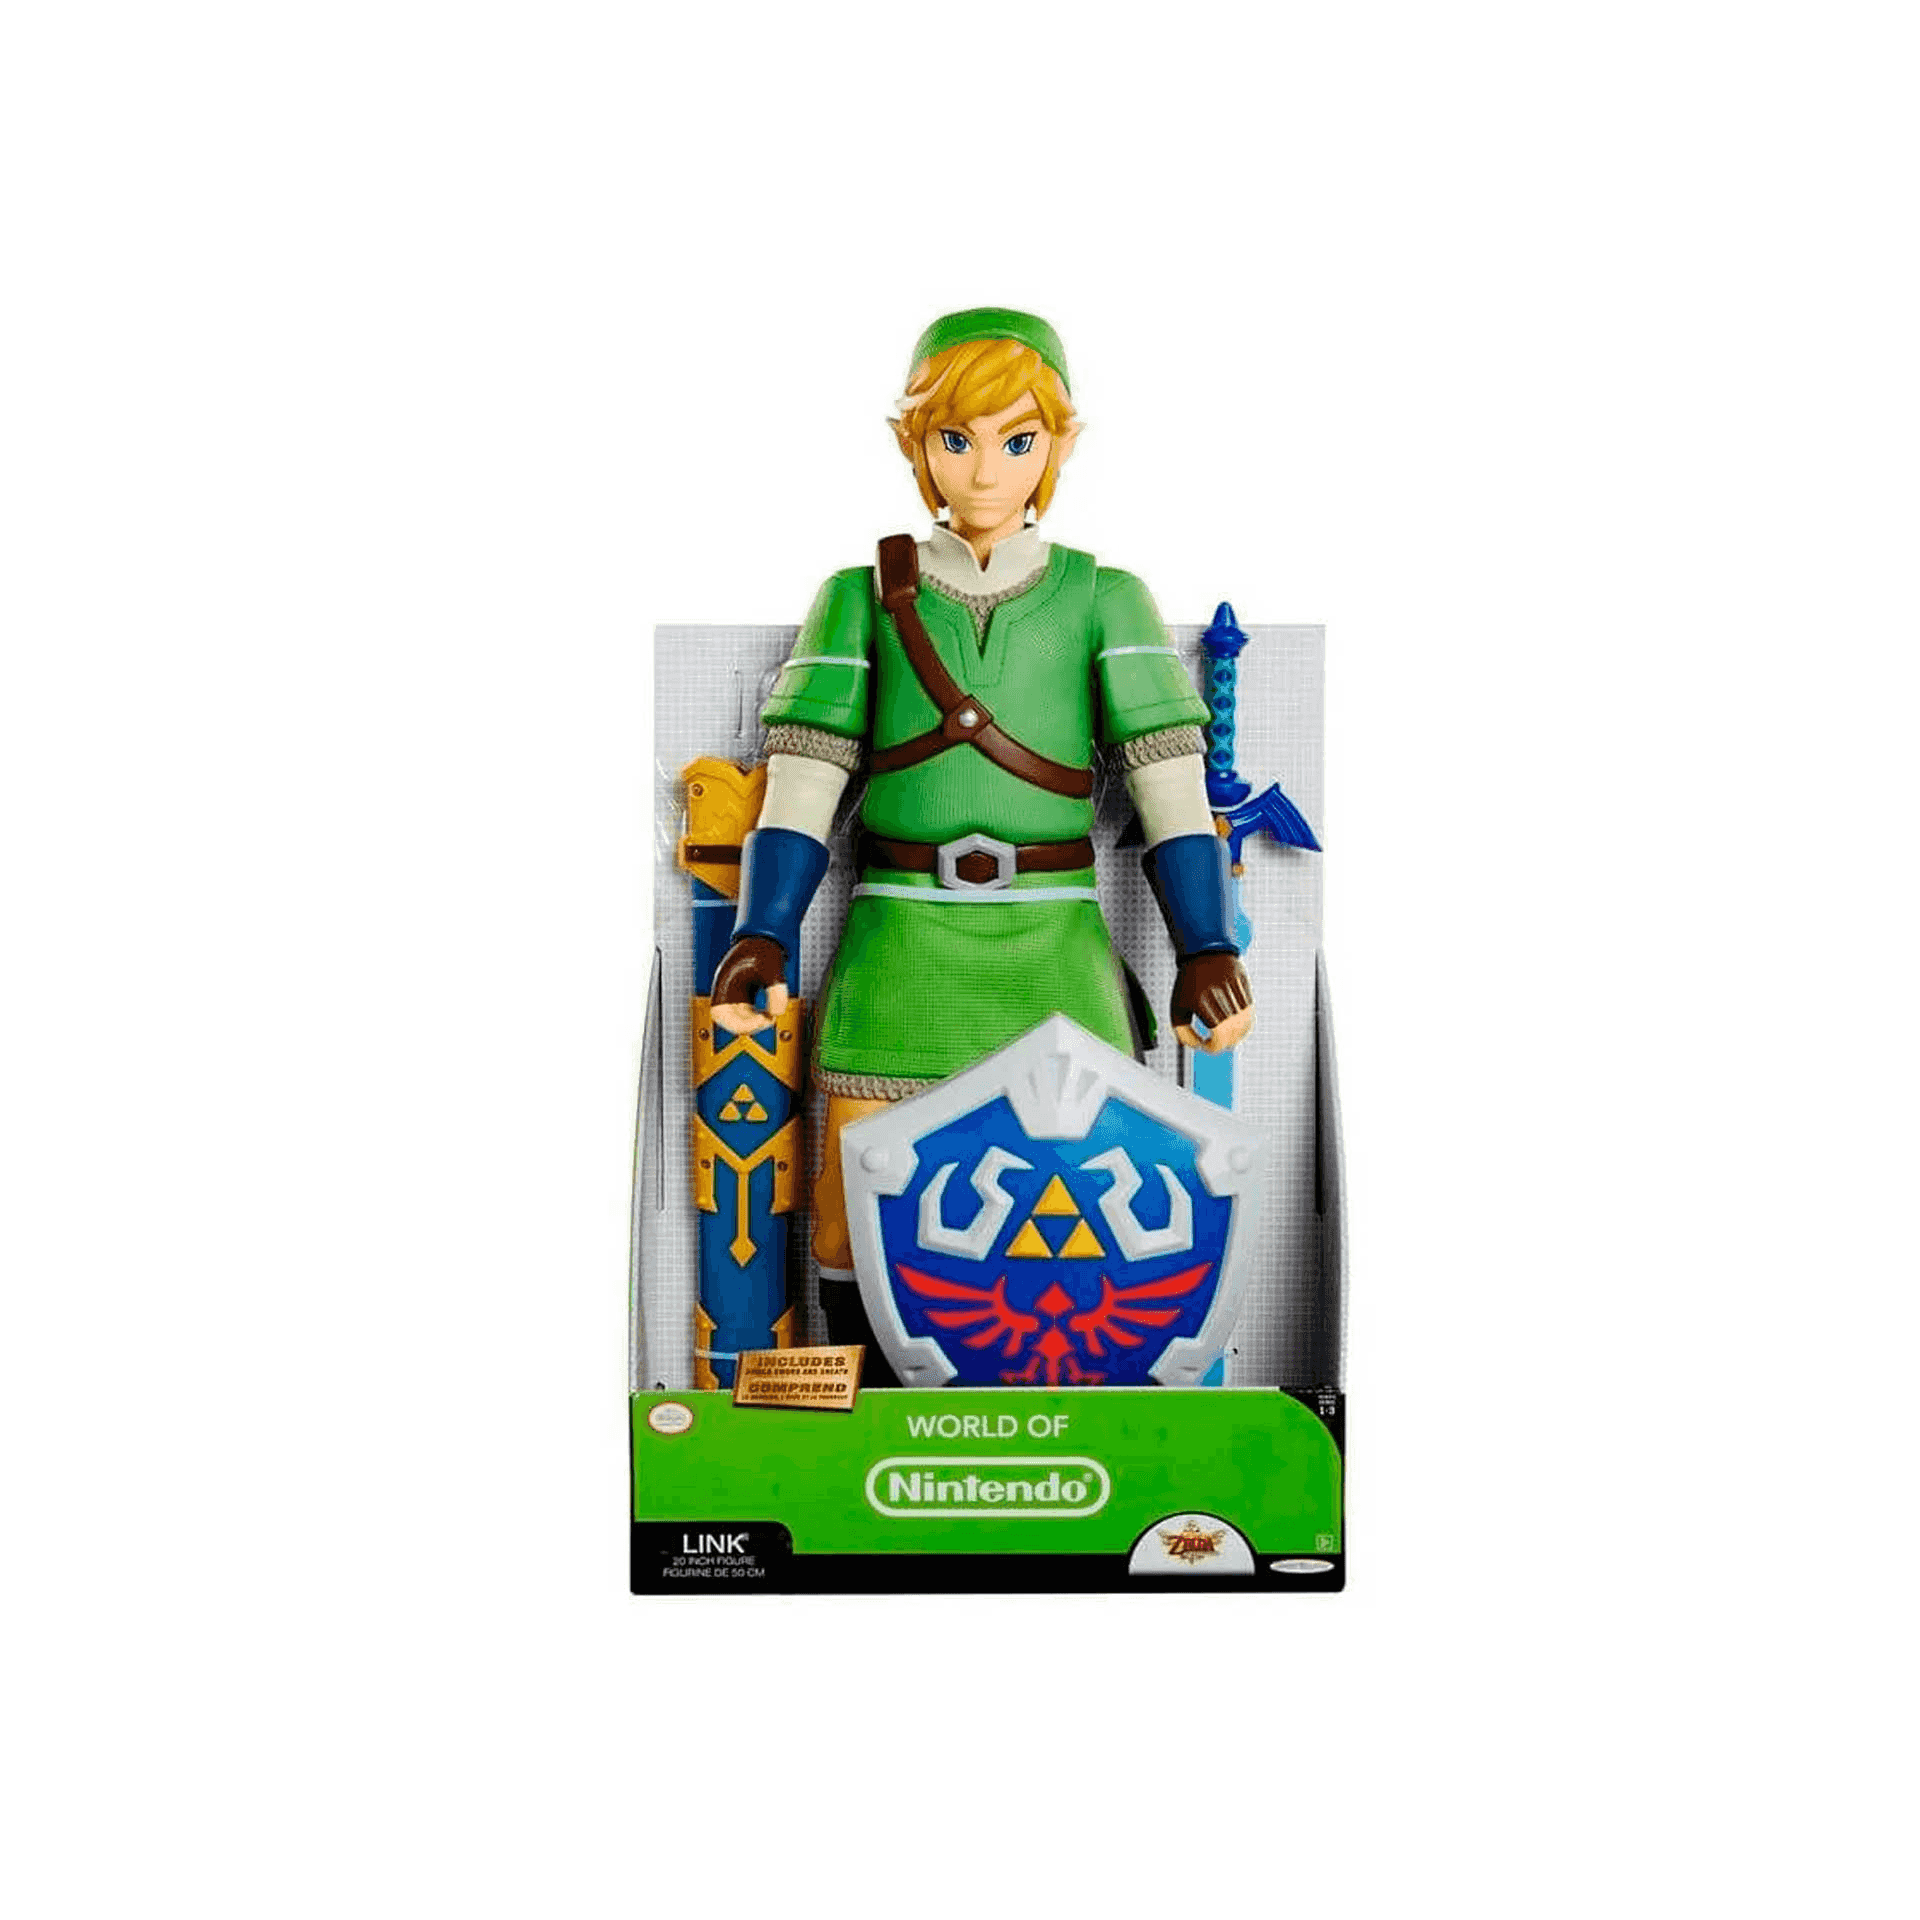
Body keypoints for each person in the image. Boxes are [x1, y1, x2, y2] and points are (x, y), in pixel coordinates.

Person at [708, 307, 1252, 1350]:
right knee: (852, 1194)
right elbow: (805, 780)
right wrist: (761, 929)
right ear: (915, 444)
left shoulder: (1106, 599)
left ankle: (1062, 1386)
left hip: (1055, 946)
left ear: (1058, 446)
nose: (987, 469)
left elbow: (1169, 788)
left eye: (1018, 438)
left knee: (1079, 1185)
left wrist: (1208, 947)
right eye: (956, 438)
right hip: (900, 940)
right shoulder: (860, 599)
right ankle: (864, 1400)